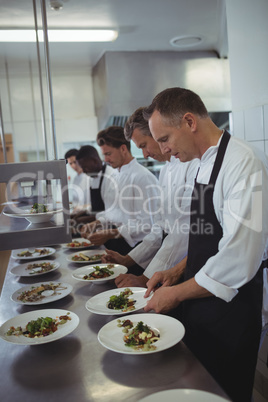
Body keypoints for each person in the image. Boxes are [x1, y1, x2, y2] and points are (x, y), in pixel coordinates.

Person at [142, 87, 268, 402]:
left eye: (164, 139)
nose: (163, 150)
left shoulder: (243, 163)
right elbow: (211, 237)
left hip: (231, 314)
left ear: (189, 121)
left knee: (224, 393)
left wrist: (176, 293)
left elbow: (239, 257)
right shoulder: (204, 162)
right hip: (200, 305)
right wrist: (177, 270)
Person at [103, 107, 198, 288]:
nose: (145, 155)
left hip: (187, 263)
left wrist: (145, 278)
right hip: (168, 261)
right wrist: (127, 260)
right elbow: (159, 229)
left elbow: (182, 232)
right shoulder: (165, 171)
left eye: (144, 146)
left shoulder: (192, 165)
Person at [81, 125, 161, 269]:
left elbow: (149, 225)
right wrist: (98, 223)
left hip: (136, 252)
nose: (105, 159)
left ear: (123, 149)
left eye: (109, 154)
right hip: (116, 245)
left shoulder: (142, 178)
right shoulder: (115, 175)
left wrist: (112, 233)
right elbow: (115, 212)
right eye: (104, 155)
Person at [70, 145, 114, 228]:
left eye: (85, 167)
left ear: (95, 161)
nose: (84, 171)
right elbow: (95, 207)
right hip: (98, 227)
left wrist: (81, 220)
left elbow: (111, 212)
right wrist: (80, 214)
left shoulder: (110, 176)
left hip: (110, 228)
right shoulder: (92, 177)